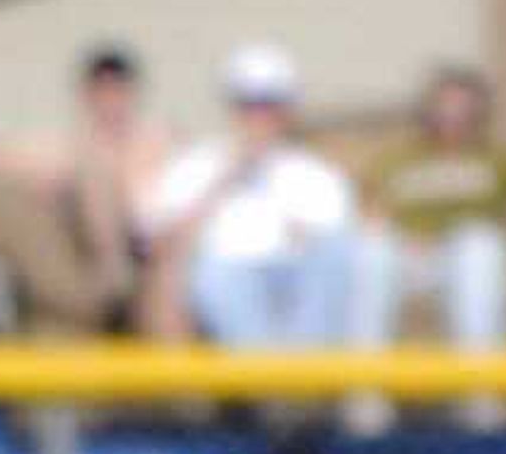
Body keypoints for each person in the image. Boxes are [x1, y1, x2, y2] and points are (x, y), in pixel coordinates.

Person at [0, 42, 172, 338]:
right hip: (88, 262)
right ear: (87, 95)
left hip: (146, 252)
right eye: (102, 92)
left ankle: (112, 277)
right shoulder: (67, 148)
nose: (110, 102)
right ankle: (107, 276)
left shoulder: (153, 143)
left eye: (117, 91)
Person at [140, 43, 356, 348]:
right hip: (225, 277)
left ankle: (303, 370)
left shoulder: (314, 172)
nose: (258, 115)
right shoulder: (198, 163)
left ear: (287, 110)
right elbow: (155, 238)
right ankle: (269, 376)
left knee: (348, 253)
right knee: (214, 274)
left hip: (294, 280)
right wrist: (225, 178)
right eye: (248, 103)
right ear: (231, 106)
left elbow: (332, 247)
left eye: (269, 104)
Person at [351, 63, 506, 376]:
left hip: (461, 256)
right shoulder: (399, 159)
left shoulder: (499, 162)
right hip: (404, 255)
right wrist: (391, 229)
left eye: (463, 107)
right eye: (445, 106)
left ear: (479, 111)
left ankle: (480, 396)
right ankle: (367, 393)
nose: (453, 116)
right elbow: (368, 202)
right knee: (371, 251)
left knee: (482, 246)